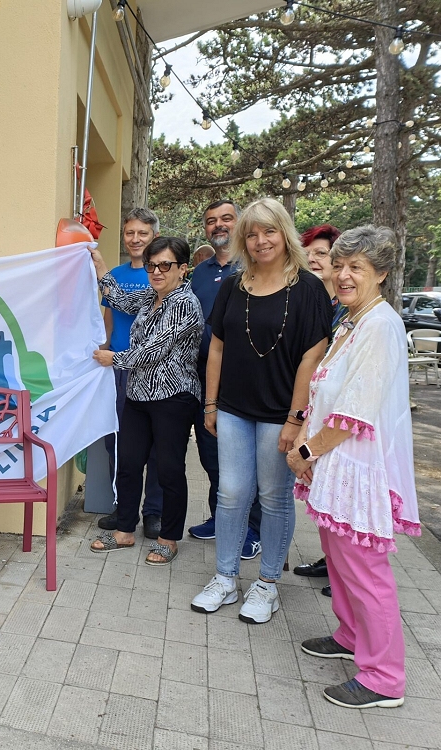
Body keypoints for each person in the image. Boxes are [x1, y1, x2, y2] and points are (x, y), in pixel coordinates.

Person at [287, 225, 418, 709]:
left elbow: (354, 412)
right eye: (339, 264)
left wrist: (304, 453)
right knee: (339, 562)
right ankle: (350, 635)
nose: (343, 275)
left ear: (380, 274)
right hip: (333, 463)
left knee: (365, 572)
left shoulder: (380, 325)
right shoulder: (351, 320)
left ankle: (384, 677)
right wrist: (305, 441)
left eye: (356, 267)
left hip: (357, 467)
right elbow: (323, 392)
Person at [191, 197, 331, 624]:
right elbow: (217, 348)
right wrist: (211, 403)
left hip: (280, 413)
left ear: (284, 233)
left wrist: (295, 419)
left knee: (273, 497)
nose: (260, 240)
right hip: (233, 408)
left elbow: (312, 357)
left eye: (269, 231)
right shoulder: (233, 286)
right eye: (251, 234)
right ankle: (225, 577)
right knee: (231, 493)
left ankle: (268, 584)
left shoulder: (307, 288)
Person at [87, 237, 203, 565]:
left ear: (183, 268)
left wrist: (114, 358)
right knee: (129, 463)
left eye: (165, 265)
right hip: (139, 395)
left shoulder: (184, 303)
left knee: (168, 469)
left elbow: (154, 350)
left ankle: (169, 538)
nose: (156, 271)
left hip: (173, 397)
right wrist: (100, 265)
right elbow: (121, 299)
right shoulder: (151, 296)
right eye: (152, 265)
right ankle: (125, 530)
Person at [187, 200, 262, 561]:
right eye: (211, 221)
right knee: (210, 452)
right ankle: (221, 517)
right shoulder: (200, 273)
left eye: (226, 219)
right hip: (203, 377)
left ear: (240, 223)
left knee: (246, 459)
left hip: (244, 380)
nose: (219, 225)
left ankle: (253, 529)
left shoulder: (254, 267)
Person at [97, 208, 165, 540]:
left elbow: (126, 303)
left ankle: (153, 512)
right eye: (129, 233)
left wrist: (99, 266)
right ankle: (122, 507)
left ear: (154, 236)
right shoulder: (116, 273)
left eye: (142, 233)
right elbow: (109, 319)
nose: (135, 239)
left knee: (154, 447)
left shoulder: (160, 275)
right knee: (118, 443)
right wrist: (102, 349)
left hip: (150, 371)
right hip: (116, 370)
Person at [293, 223, 344, 596]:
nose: (313, 259)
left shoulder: (347, 309)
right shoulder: (313, 301)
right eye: (308, 252)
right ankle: (332, 562)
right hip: (313, 409)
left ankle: (343, 572)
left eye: (321, 253)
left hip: (340, 417)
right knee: (320, 489)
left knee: (340, 492)